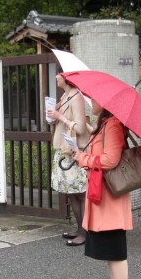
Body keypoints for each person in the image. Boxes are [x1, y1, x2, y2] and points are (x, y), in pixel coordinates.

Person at [73, 99, 133, 279]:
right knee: (109, 248)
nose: (91, 102)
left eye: (93, 100)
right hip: (103, 193)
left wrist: (85, 159)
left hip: (111, 197)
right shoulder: (105, 123)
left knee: (115, 248)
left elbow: (110, 160)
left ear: (106, 103)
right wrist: (81, 156)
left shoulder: (113, 124)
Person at [47, 73, 90, 246]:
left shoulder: (76, 97)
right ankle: (79, 229)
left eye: (60, 74)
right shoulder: (65, 96)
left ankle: (85, 233)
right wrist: (52, 117)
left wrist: (61, 117)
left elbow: (80, 128)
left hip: (73, 151)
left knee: (80, 193)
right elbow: (59, 122)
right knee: (71, 193)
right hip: (63, 149)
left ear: (67, 78)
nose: (56, 77)